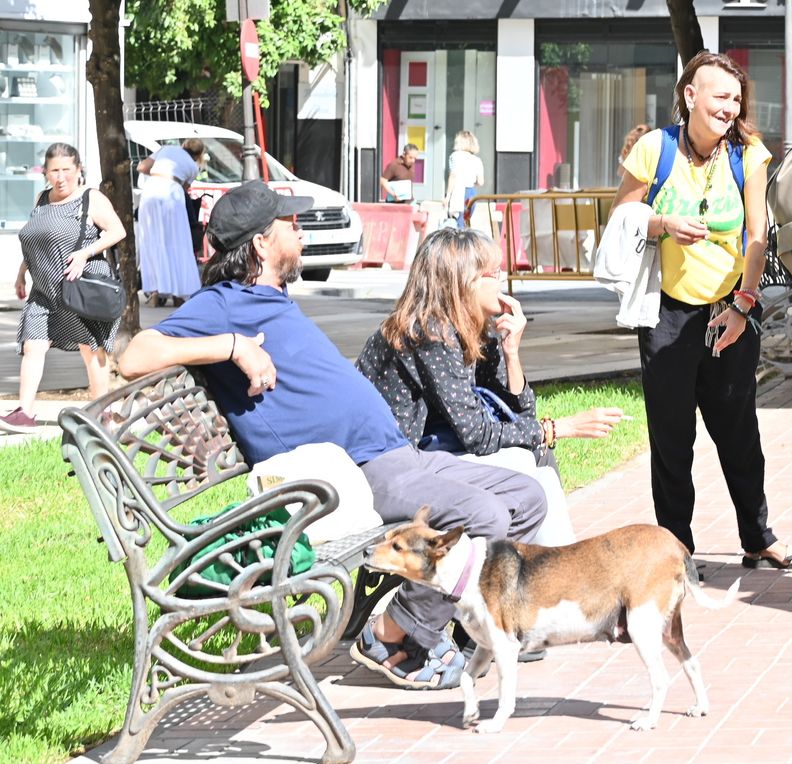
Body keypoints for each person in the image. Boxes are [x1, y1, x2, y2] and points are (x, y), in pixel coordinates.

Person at [118, 180, 547, 691]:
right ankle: (394, 635)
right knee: (485, 515)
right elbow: (133, 356)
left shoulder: (270, 297)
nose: (298, 230)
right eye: (289, 224)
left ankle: (470, 623)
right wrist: (234, 346)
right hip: (358, 474)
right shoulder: (226, 303)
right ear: (260, 243)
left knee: (528, 498)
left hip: (396, 454)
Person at [613, 51, 792, 571]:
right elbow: (622, 220)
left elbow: (757, 235)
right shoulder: (654, 150)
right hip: (667, 314)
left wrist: (744, 304)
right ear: (690, 95)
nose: (730, 106)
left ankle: (758, 535)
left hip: (731, 310)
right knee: (672, 439)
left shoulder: (748, 154)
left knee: (739, 430)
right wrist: (664, 226)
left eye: (736, 98)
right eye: (720, 96)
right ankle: (675, 549)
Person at [357, 227, 627, 547]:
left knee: (535, 456)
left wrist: (512, 353)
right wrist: (556, 429)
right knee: (526, 461)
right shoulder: (430, 333)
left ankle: (554, 572)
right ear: (466, 281)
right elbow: (478, 435)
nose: (503, 279)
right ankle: (545, 575)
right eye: (495, 272)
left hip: (434, 449)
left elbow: (519, 414)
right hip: (401, 465)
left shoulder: (473, 327)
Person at [3, 143, 129, 431]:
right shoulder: (41, 199)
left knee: (91, 349)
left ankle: (104, 413)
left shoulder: (90, 198)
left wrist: (86, 253)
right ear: (45, 172)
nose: (60, 177)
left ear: (78, 169)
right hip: (44, 288)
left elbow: (117, 230)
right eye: (54, 171)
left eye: (66, 170)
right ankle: (25, 412)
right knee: (32, 346)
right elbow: (35, 239)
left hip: (79, 287)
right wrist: (23, 271)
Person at [137, 138, 205, 308]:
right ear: (198, 154)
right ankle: (177, 292)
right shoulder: (193, 167)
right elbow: (184, 188)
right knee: (176, 242)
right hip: (171, 193)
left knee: (153, 240)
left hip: (151, 190)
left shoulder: (165, 149)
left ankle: (154, 291)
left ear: (183, 145)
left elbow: (142, 167)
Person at [445, 131, 484, 228]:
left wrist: (447, 196)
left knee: (457, 224)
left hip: (457, 192)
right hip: (471, 193)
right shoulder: (477, 160)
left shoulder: (455, 156)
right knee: (466, 222)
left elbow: (453, 176)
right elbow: (480, 182)